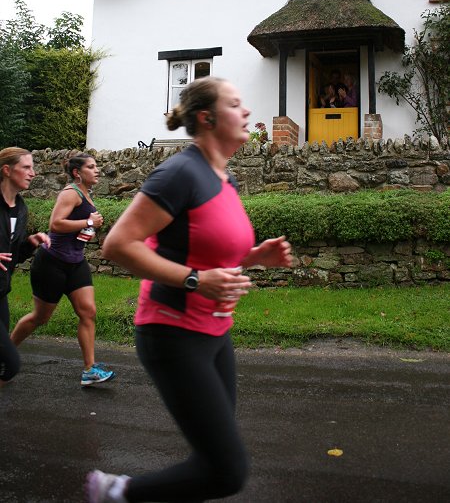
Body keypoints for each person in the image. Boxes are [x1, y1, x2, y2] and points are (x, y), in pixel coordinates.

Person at [85, 77, 293, 503]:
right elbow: (118, 245)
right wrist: (195, 280)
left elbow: (207, 248)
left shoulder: (224, 178)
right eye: (235, 104)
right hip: (172, 333)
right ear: (207, 117)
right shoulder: (180, 172)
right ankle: (115, 492)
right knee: (227, 471)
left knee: (214, 456)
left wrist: (254, 256)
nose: (246, 111)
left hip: (214, 333)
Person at [10, 153, 115, 387]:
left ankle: (89, 370)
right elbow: (55, 224)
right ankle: (6, 352)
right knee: (40, 318)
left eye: (97, 166)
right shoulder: (70, 193)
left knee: (88, 312)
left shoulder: (86, 193)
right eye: (91, 167)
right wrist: (88, 222)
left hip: (76, 263)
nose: (97, 170)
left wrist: (89, 225)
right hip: (52, 263)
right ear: (77, 173)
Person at [0, 147, 50, 388]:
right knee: (10, 364)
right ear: (7, 170)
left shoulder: (20, 208)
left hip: (1, 293)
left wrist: (30, 243)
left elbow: (12, 256)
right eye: (27, 167)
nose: (33, 173)